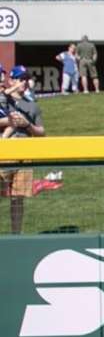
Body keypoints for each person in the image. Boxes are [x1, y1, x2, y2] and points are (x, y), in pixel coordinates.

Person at [0, 66, 45, 234]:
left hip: (25, 154)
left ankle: (16, 236)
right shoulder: (3, 98)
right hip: (4, 151)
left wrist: (28, 125)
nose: (24, 82)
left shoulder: (32, 105)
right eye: (20, 78)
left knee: (17, 199)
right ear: (11, 80)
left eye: (26, 78)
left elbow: (42, 132)